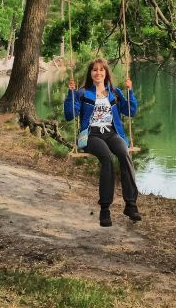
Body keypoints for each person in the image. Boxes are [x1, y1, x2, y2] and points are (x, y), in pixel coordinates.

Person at [65, 57, 142, 227]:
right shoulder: (83, 93)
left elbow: (131, 111)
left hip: (112, 133)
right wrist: (70, 94)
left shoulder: (114, 93)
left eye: (101, 70)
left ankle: (131, 205)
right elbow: (70, 115)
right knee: (107, 157)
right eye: (94, 70)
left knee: (124, 153)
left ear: (106, 73)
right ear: (90, 73)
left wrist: (130, 92)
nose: (98, 72)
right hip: (91, 135)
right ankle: (105, 209)